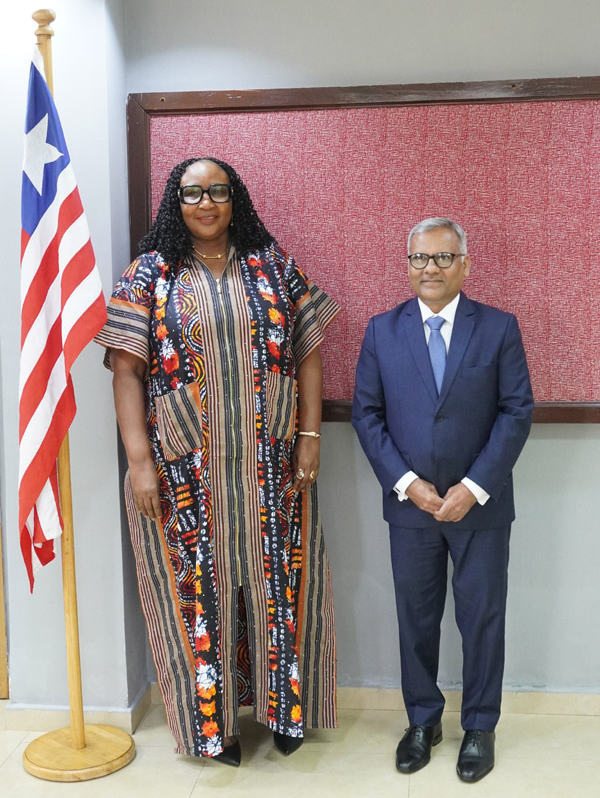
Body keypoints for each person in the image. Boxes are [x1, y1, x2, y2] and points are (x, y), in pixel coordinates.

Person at [95, 157, 339, 766]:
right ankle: (215, 728)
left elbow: (308, 351)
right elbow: (126, 370)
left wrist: (309, 433)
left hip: (270, 461)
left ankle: (286, 713)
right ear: (175, 203)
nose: (206, 203)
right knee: (197, 593)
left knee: (279, 582)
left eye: (218, 191)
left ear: (237, 199)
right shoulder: (150, 274)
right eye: (192, 192)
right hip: (184, 469)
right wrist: (138, 460)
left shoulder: (274, 266)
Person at [352, 217, 533, 783]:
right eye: (420, 259)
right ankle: (423, 721)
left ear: (464, 265)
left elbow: (516, 411)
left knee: (482, 617)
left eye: (443, 258)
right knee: (416, 618)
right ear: (407, 266)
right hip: (411, 507)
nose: (430, 268)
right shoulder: (381, 331)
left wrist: (473, 487)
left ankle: (479, 726)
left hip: (480, 506)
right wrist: (408, 483)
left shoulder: (499, 328)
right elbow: (367, 414)